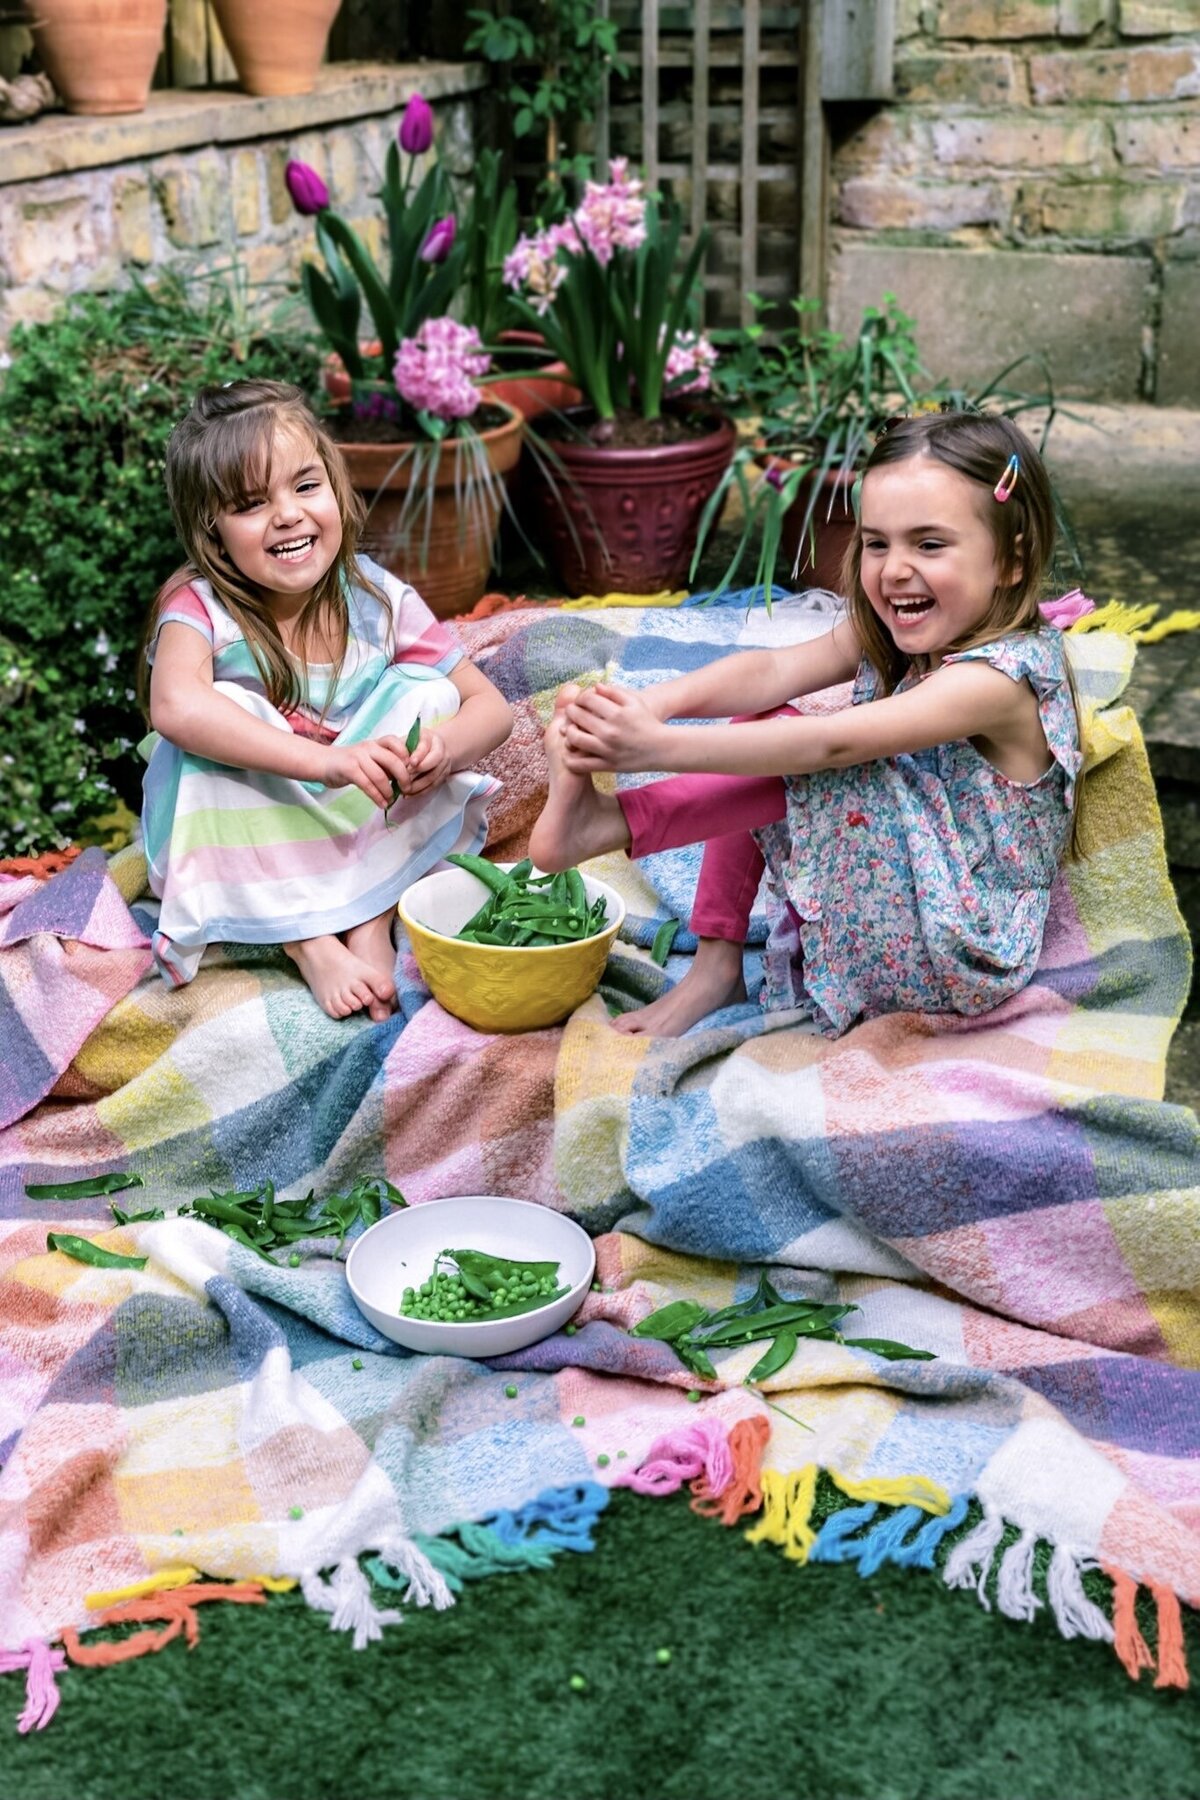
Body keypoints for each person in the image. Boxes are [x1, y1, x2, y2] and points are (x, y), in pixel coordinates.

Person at [529, 410, 1084, 1039]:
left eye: (929, 544)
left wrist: (656, 748)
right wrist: (653, 703)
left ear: (1010, 562)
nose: (894, 569)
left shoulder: (1001, 680)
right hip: (902, 899)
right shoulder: (897, 629)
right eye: (877, 542)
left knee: (823, 755)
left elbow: (831, 742)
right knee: (767, 719)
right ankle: (715, 967)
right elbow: (773, 670)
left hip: (961, 946)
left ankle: (609, 825)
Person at [138, 379, 512, 1022]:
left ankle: (371, 915)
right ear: (212, 528)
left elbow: (491, 708)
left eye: (305, 486)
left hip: (349, 814)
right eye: (252, 503)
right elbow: (174, 707)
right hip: (251, 823)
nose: (288, 514)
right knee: (226, 715)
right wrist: (328, 763)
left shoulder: (376, 599)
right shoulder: (199, 606)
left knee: (430, 693)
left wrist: (442, 751)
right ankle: (310, 943)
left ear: (336, 488)